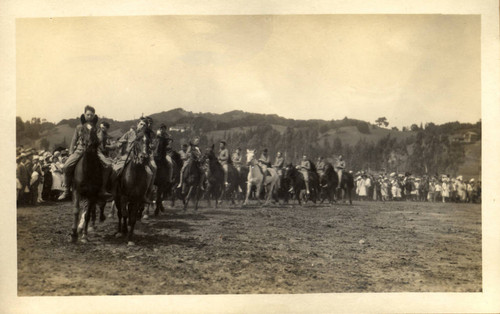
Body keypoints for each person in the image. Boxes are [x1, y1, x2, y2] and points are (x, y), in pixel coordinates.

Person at [59, 106, 112, 200]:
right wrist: (71, 152)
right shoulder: (79, 127)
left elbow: (99, 138)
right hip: (80, 150)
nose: (89, 116)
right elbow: (74, 139)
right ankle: (66, 190)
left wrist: (96, 139)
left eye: (91, 115)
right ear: (84, 115)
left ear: (94, 116)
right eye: (88, 114)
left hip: (94, 150)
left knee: (108, 165)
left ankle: (103, 189)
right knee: (66, 166)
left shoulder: (97, 128)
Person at [112, 117, 156, 203]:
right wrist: (114, 146)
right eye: (141, 124)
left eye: (145, 125)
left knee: (150, 173)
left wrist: (150, 147)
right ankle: (113, 191)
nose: (143, 126)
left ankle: (145, 194)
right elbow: (119, 143)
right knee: (115, 170)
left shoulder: (146, 137)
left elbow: (150, 146)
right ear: (137, 124)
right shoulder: (129, 133)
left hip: (140, 159)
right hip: (127, 157)